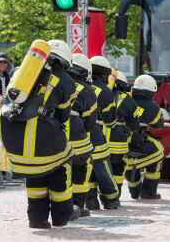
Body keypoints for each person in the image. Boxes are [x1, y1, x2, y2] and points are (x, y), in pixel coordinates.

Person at [0, 39, 78, 229]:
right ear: (66, 60)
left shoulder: (21, 72)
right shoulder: (66, 81)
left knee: (35, 175)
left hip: (16, 146)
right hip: (45, 142)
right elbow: (63, 115)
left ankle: (37, 218)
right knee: (62, 165)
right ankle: (62, 215)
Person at [86, 55, 119, 210]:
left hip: (78, 134)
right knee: (103, 168)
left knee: (85, 168)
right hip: (96, 134)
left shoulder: (81, 86)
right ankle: (111, 199)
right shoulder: (105, 91)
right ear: (104, 74)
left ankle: (90, 201)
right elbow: (110, 121)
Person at [66, 53, 97, 218]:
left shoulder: (55, 80)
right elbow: (90, 121)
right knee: (83, 167)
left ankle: (58, 206)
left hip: (53, 134)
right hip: (77, 136)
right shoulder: (87, 90)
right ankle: (78, 205)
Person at [124, 74, 164, 200]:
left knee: (129, 166)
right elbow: (158, 125)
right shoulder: (153, 107)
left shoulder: (124, 99)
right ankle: (149, 192)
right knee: (159, 150)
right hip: (138, 142)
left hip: (120, 143)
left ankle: (134, 191)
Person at [104, 70, 140, 203]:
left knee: (97, 171)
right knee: (117, 171)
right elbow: (134, 125)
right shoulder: (129, 101)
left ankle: (92, 201)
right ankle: (114, 198)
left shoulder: (100, 94)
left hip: (100, 142)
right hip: (117, 145)